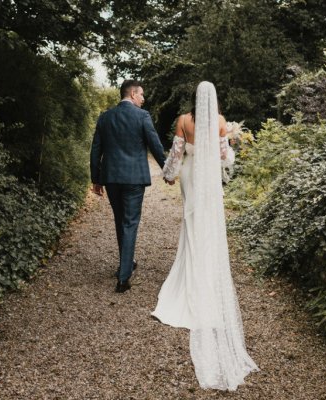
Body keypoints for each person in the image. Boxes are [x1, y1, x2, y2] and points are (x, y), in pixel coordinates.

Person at [152, 82, 258, 390]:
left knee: (192, 223)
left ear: (195, 99)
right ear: (214, 100)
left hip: (189, 175)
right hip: (209, 178)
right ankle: (207, 275)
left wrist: (169, 175)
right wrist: (225, 155)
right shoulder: (222, 122)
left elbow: (176, 153)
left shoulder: (185, 120)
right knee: (209, 226)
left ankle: (189, 274)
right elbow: (225, 158)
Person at [90, 80, 166, 293]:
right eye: (141, 94)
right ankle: (124, 277)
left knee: (120, 220)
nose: (143, 98)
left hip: (112, 177)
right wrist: (167, 170)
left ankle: (127, 263)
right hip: (134, 178)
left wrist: (96, 179)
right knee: (130, 222)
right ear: (132, 94)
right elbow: (156, 146)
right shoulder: (142, 116)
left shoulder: (105, 117)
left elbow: (96, 150)